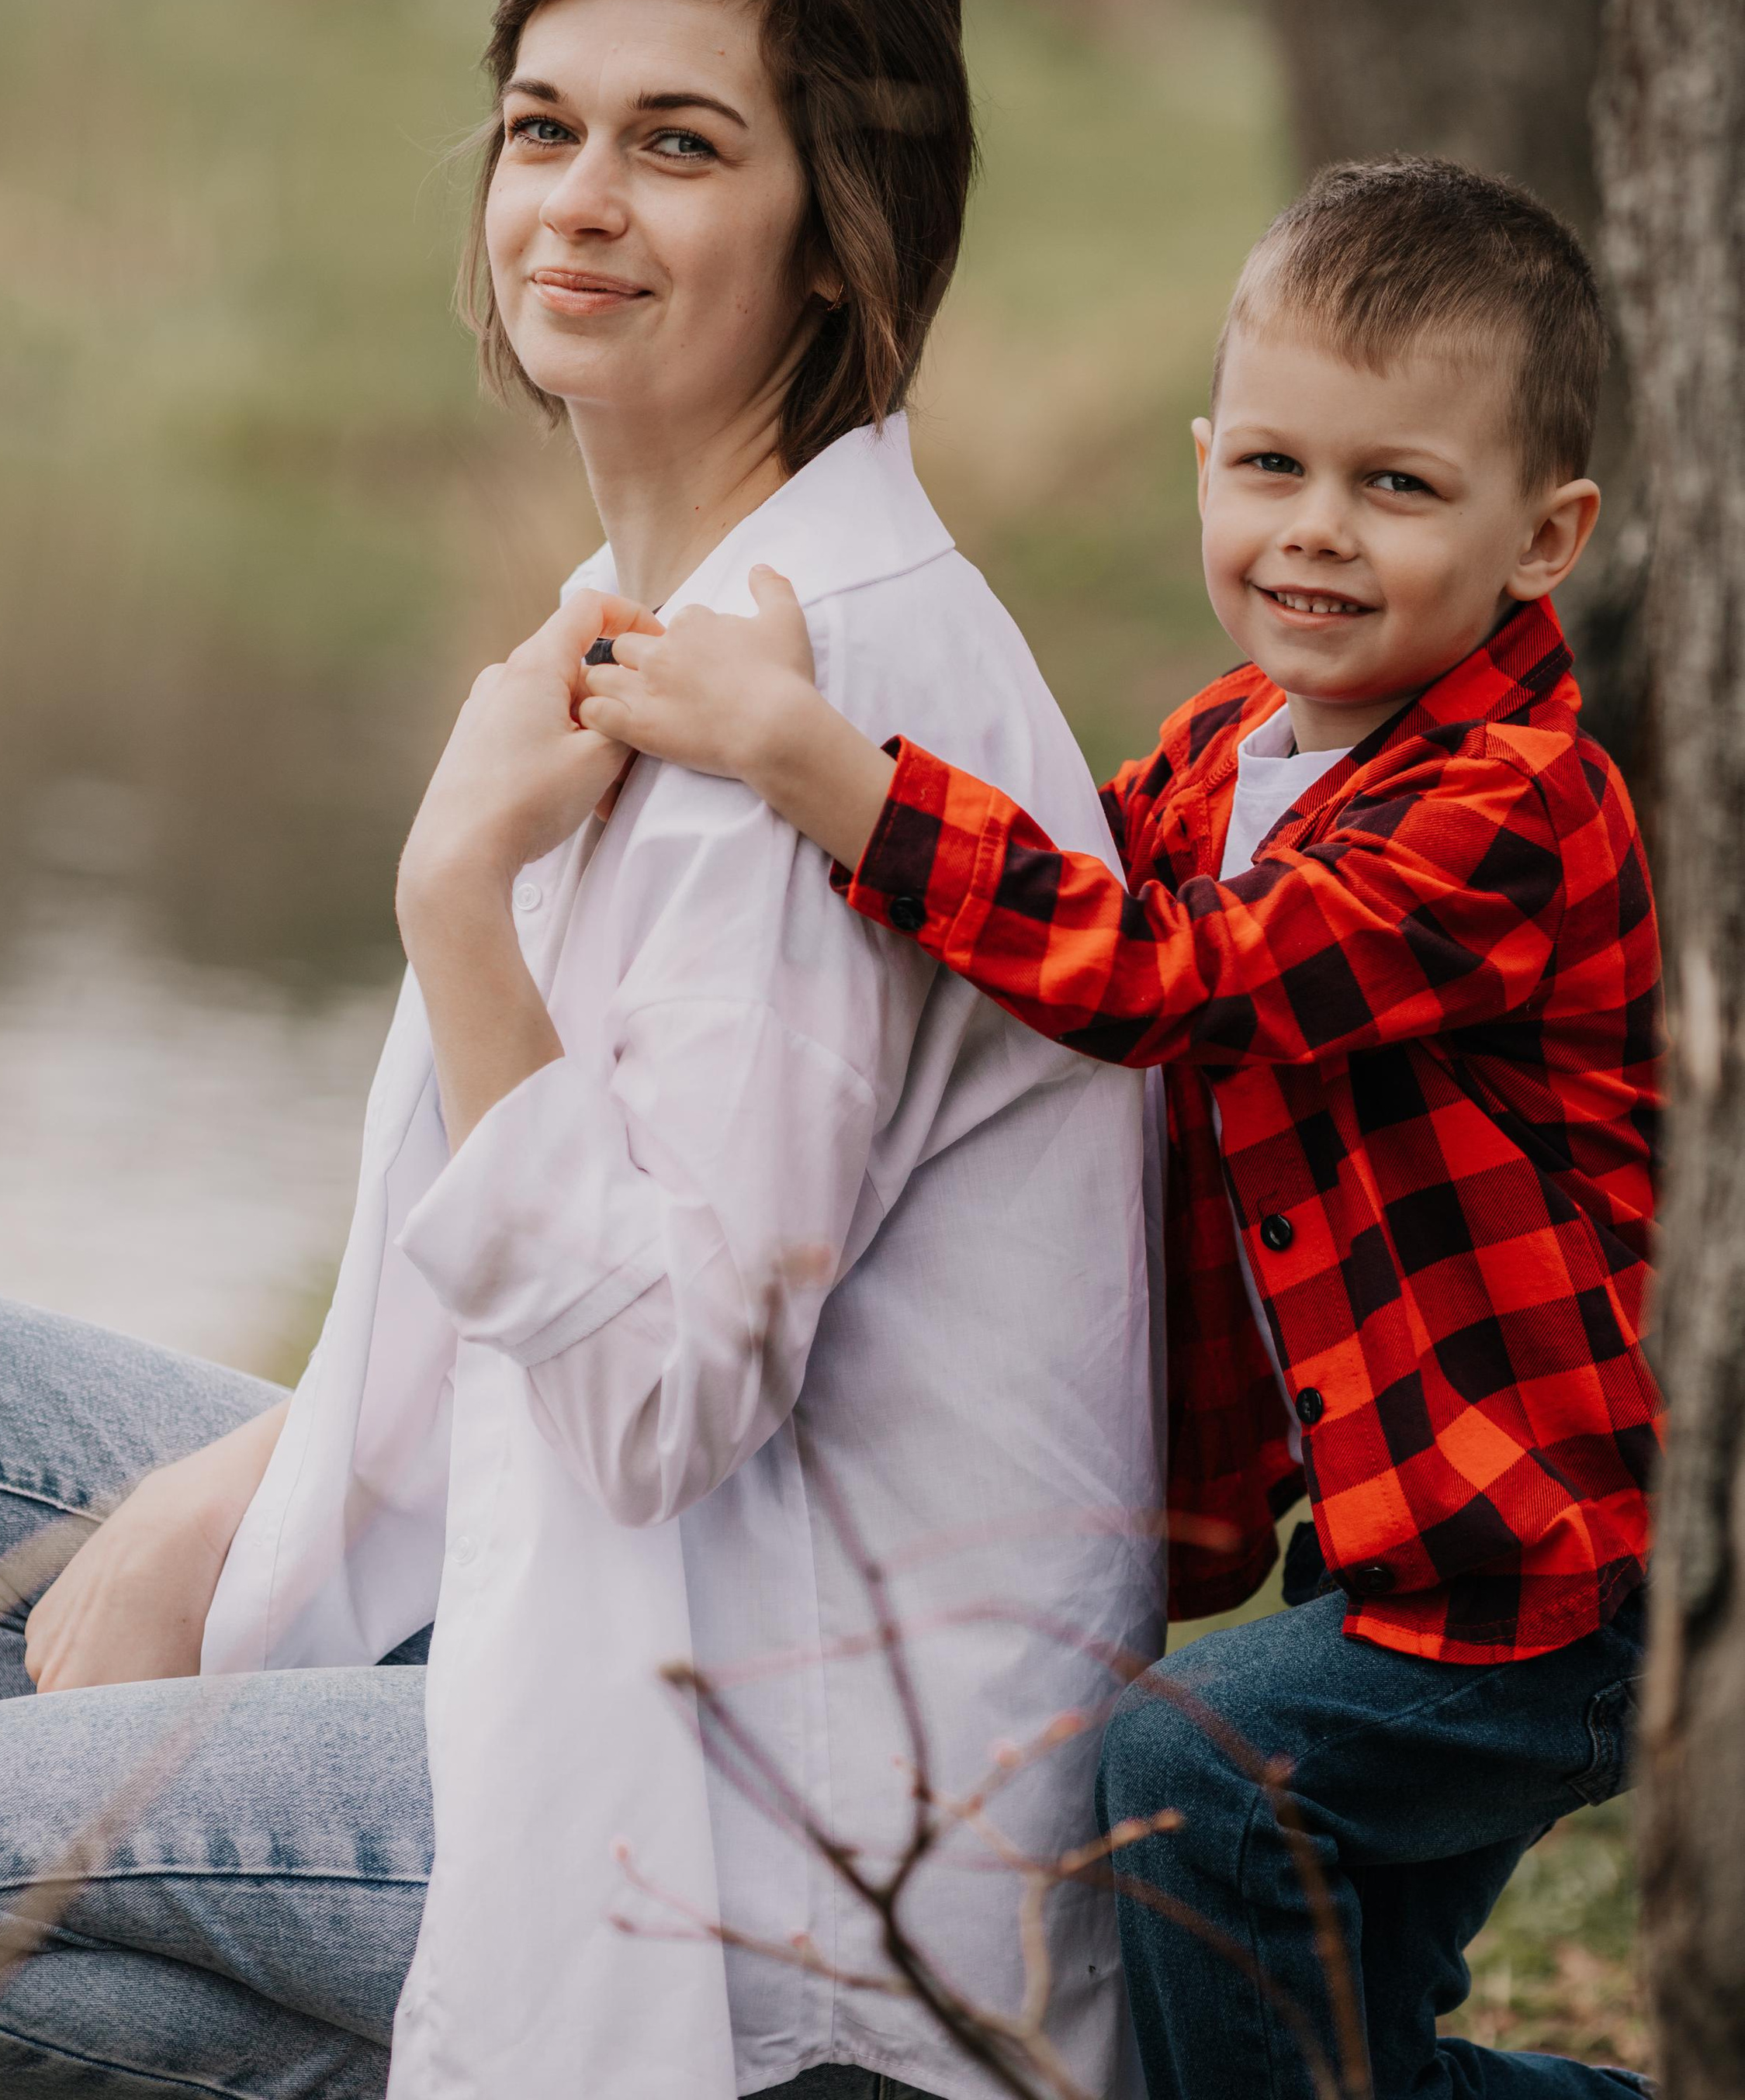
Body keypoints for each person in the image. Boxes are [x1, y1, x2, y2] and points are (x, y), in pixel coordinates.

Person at [0, 0, 1164, 2100]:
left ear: (836, 241)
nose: (577, 203)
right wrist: (270, 1468)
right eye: (543, 129)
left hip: (783, 1806)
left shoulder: (812, 713)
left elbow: (657, 1399)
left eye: (678, 146)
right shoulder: (681, 603)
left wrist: (453, 917)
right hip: (647, 1592)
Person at [575, 155, 1663, 2100]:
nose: (1312, 534)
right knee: (1334, 2059)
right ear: (1201, 462)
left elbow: (1172, 977)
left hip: (1526, 1582)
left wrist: (824, 765)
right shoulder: (1215, 755)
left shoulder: (1512, 806)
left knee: (1183, 1775)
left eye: (1393, 486)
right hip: (1381, 1557)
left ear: (1541, 535)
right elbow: (1050, 889)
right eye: (1267, 468)